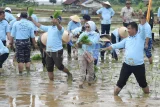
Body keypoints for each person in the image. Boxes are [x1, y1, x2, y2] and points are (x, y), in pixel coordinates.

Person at [102, 22, 149, 96]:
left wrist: (143, 21)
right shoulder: (126, 40)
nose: (127, 30)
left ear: (134, 29)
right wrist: (107, 48)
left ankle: (147, 99)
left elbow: (144, 28)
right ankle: (115, 99)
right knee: (119, 85)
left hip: (138, 66)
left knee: (143, 84)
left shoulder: (141, 37)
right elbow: (116, 45)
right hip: (127, 65)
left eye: (129, 29)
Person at [30, 15, 72, 81]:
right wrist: (32, 20)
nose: (52, 20)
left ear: (58, 21)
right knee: (49, 68)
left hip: (57, 50)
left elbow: (60, 28)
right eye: (52, 19)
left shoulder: (61, 29)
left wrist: (57, 23)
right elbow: (39, 25)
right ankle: (51, 83)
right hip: (49, 50)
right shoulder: (49, 28)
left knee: (59, 66)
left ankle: (69, 74)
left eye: (54, 19)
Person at [76, 21, 100, 88]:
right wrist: (79, 44)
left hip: (90, 53)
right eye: (85, 27)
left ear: (92, 27)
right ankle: (80, 85)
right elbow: (78, 44)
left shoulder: (96, 34)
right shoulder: (83, 34)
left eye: (88, 27)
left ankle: (89, 85)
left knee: (91, 71)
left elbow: (93, 43)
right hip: (82, 53)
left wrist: (84, 42)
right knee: (82, 70)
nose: (87, 28)